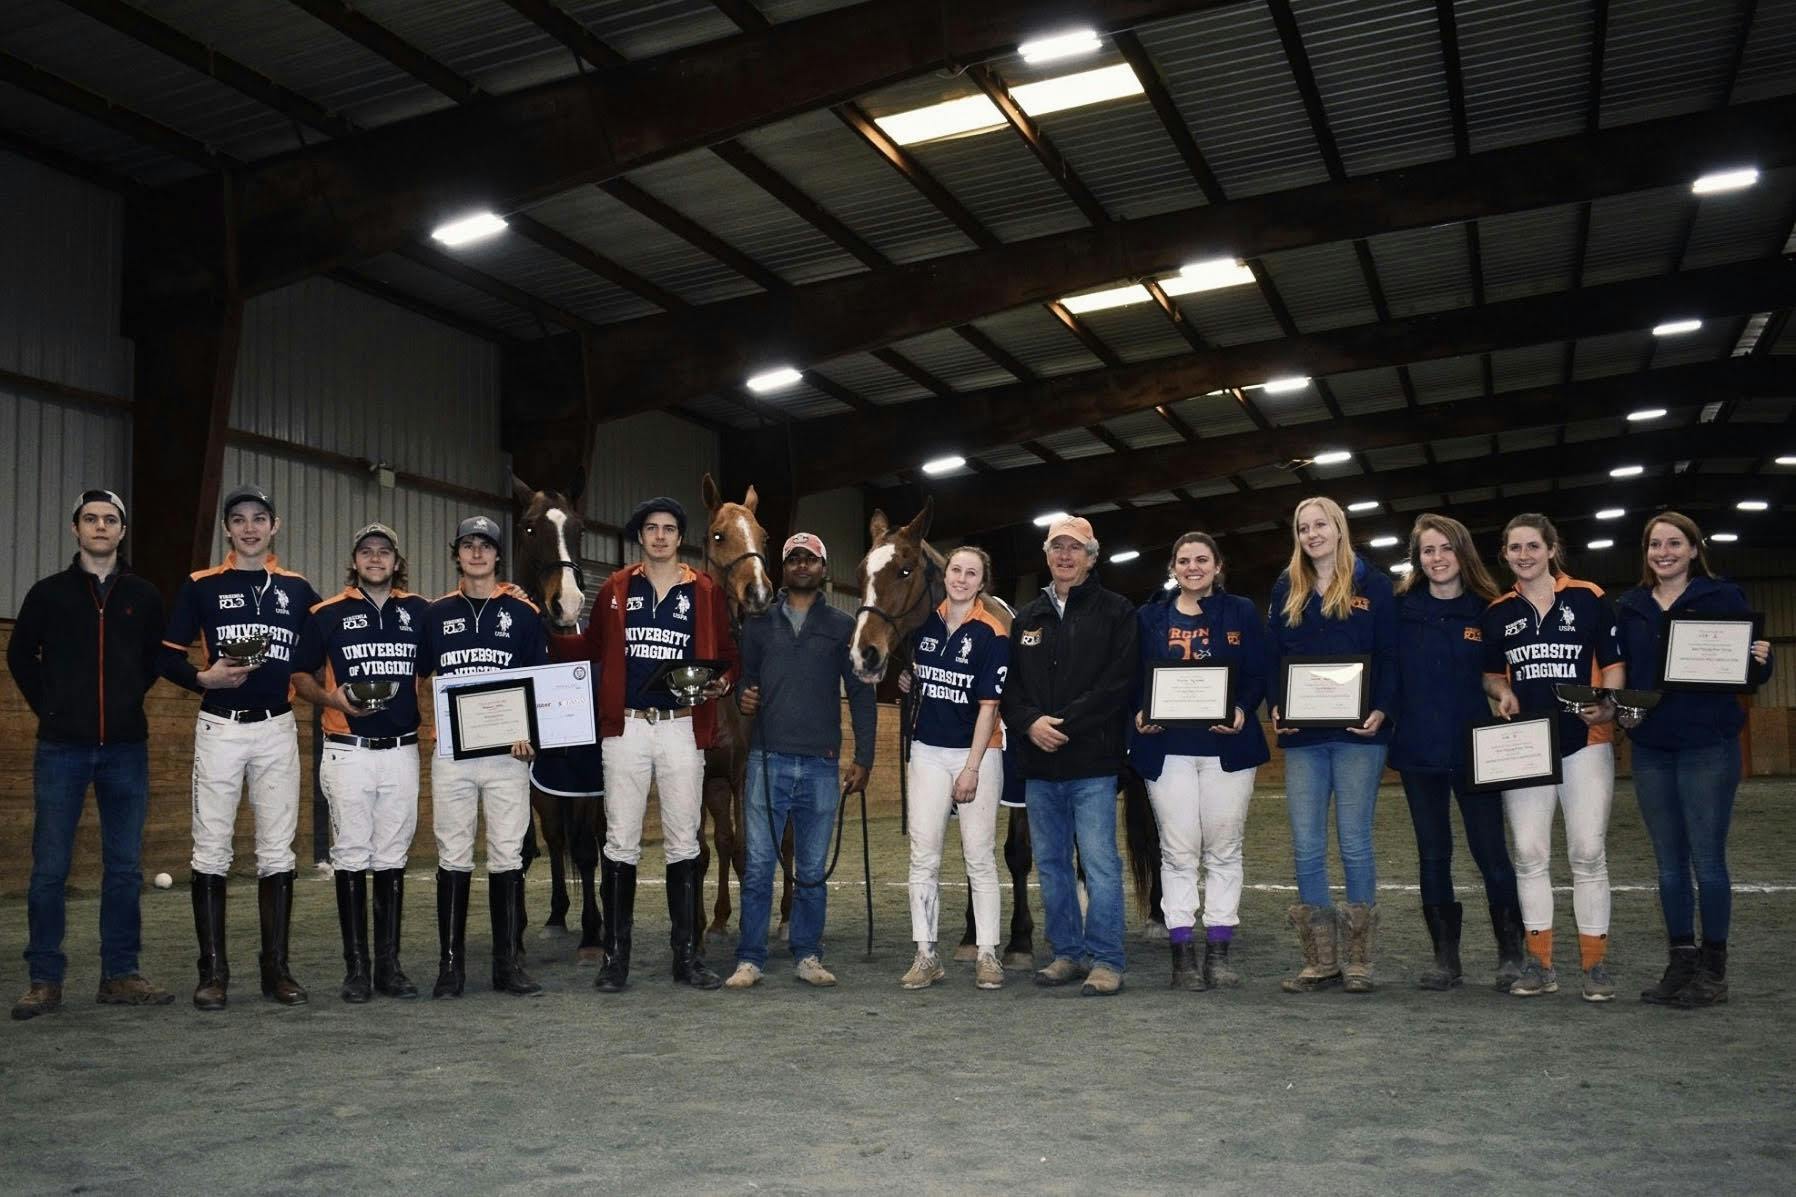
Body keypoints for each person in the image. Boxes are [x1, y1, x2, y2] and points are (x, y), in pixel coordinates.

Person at [550, 496, 738, 993]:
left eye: (669, 528)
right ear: (640, 536)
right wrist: (545, 633)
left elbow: (728, 654)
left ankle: (688, 958)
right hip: (627, 728)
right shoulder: (615, 588)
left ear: (680, 538)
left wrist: (724, 682)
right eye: (651, 528)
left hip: (681, 726)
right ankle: (615, 960)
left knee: (684, 840)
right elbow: (588, 649)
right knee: (620, 842)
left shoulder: (704, 590)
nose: (660, 536)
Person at [8, 490, 172, 1020]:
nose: (100, 527)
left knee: (124, 868)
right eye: (91, 519)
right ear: (75, 529)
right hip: (62, 750)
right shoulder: (48, 593)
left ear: (122, 532)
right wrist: (50, 709)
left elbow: (152, 660)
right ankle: (44, 979)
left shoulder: (144, 595)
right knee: (49, 869)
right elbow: (19, 655)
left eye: (110, 520)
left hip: (126, 749)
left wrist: (124, 698)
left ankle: (120, 974)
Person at [159, 484, 321, 1011]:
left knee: (278, 851)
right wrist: (204, 677)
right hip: (221, 727)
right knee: (211, 849)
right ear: (226, 529)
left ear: (274, 527)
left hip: (276, 726)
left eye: (259, 519)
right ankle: (213, 973)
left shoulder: (298, 590)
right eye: (238, 519)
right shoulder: (201, 585)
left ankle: (276, 969)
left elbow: (338, 633)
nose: (249, 527)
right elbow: (165, 656)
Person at [1615, 512, 1772, 1008]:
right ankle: (1680, 960)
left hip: (1707, 745)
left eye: (1674, 543)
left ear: (1693, 548)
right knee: (1668, 865)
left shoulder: (1722, 597)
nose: (1664, 552)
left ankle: (1714, 969)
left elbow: (1745, 672)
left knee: (1707, 859)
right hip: (1652, 748)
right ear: (1645, 552)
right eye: (1654, 544)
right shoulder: (1630, 606)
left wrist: (1759, 661)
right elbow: (1629, 675)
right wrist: (1622, 712)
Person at [723, 533, 876, 990]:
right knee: (757, 868)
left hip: (820, 764)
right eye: (794, 559)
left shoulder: (842, 625)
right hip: (767, 760)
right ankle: (750, 957)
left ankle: (808, 953)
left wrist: (865, 757)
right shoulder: (757, 624)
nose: (803, 565)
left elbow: (863, 694)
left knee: (811, 870)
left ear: (824, 569)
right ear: (782, 568)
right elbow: (744, 682)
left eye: (811, 559)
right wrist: (742, 697)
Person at [1481, 513, 1623, 1002]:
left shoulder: (1588, 597)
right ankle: (1540, 965)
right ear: (1505, 554)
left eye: (1532, 546)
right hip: (1525, 747)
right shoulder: (1499, 612)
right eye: (1514, 548)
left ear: (1550, 548)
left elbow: (1616, 665)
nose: (1524, 555)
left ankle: (1595, 964)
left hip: (1587, 741)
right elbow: (1493, 674)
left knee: (1587, 852)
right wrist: (1501, 692)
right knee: (1529, 855)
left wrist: (1607, 704)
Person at [291, 524, 431, 1004]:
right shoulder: (325, 613)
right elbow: (299, 675)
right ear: (355, 561)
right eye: (366, 552)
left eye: (384, 552)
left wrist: (506, 594)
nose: (375, 559)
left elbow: (455, 643)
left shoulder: (420, 613)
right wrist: (330, 697)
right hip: (347, 750)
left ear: (397, 561)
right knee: (351, 854)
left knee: (392, 856)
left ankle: (389, 966)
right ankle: (357, 969)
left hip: (402, 750)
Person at [1002, 515, 1138, 997]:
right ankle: (1067, 953)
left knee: (1100, 863)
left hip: (1093, 764)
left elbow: (1118, 684)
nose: (1065, 555)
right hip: (1040, 767)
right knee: (1054, 864)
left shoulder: (1116, 612)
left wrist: (1063, 723)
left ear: (1091, 557)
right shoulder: (1027, 617)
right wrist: (1029, 724)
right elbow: (1010, 689)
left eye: (1075, 548)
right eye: (1057, 547)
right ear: (1046, 555)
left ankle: (1107, 959)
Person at [1389, 514, 1524, 991]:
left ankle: (1512, 955)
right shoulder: (1400, 609)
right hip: (1417, 750)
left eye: (1446, 548)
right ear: (1417, 558)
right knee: (1432, 854)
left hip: (1476, 749)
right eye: (1428, 550)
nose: (1438, 558)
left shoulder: (1488, 609)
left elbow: (1496, 671)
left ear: (1461, 552)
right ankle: (1445, 959)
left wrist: (1501, 690)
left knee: (1492, 852)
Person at [1267, 497, 1396, 995]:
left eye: (1320, 525)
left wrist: (1381, 707)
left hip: (1360, 734)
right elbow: (1273, 652)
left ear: (1339, 529)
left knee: (1355, 840)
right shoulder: (1286, 586)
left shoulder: (1374, 584)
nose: (1312, 534)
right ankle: (1320, 961)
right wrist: (1278, 705)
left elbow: (1390, 655)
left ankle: (1359, 960)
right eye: (1303, 527)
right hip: (1304, 737)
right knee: (1305, 844)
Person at [1130, 532, 1268, 992]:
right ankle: (1182, 953)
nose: (1193, 567)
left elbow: (1257, 672)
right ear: (1173, 566)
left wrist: (1243, 709)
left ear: (1217, 565)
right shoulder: (1149, 616)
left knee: (1225, 847)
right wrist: (1139, 712)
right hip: (1167, 750)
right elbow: (1131, 675)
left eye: (1202, 560)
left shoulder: (1241, 612)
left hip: (1227, 752)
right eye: (1184, 560)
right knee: (1178, 850)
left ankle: (1220, 950)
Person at [420, 516, 547, 998]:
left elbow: (538, 683)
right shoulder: (435, 614)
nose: (477, 553)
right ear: (457, 554)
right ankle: (450, 966)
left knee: (506, 855)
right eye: (468, 545)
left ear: (498, 556)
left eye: (486, 546)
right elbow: (418, 677)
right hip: (451, 753)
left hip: (506, 757)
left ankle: (507, 964)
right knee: (452, 854)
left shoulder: (523, 614)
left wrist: (530, 735)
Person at [896, 546, 1010, 992]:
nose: (961, 578)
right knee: (923, 856)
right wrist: (908, 680)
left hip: (976, 752)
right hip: (926, 750)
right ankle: (925, 954)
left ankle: (988, 954)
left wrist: (972, 769)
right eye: (956, 571)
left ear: (982, 582)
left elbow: (989, 707)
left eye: (971, 573)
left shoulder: (992, 632)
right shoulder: (924, 622)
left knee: (979, 856)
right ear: (946, 576)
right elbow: (918, 675)